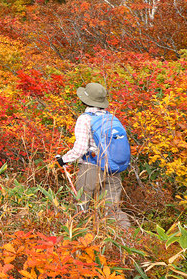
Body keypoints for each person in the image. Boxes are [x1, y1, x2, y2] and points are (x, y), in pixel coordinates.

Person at [55, 82, 132, 229]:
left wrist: (63, 160)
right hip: (114, 168)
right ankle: (127, 239)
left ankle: (80, 237)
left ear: (85, 100)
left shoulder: (85, 119)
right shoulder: (112, 118)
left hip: (91, 168)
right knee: (112, 209)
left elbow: (80, 149)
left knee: (81, 207)